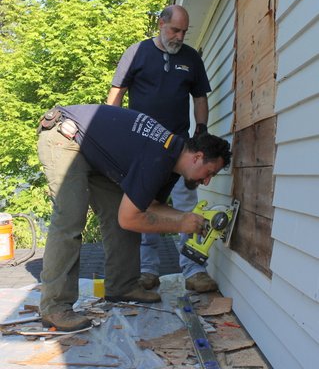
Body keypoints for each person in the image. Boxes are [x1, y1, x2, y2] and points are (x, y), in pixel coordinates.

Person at [37, 104, 232, 331]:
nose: (207, 181)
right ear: (197, 157)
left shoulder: (172, 163)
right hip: (65, 136)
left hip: (90, 151)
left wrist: (187, 218)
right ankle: (55, 307)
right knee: (70, 219)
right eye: (209, 173)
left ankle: (122, 285)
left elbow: (149, 207)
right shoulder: (158, 157)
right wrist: (181, 222)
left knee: (117, 209)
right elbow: (129, 219)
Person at [107, 4, 216, 293]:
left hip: (180, 151)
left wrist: (201, 133)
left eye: (183, 31)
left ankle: (194, 270)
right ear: (161, 24)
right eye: (174, 30)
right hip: (141, 149)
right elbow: (115, 96)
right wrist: (112, 131)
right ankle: (147, 271)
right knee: (144, 205)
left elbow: (200, 98)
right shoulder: (137, 53)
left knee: (186, 205)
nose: (179, 36)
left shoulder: (191, 58)